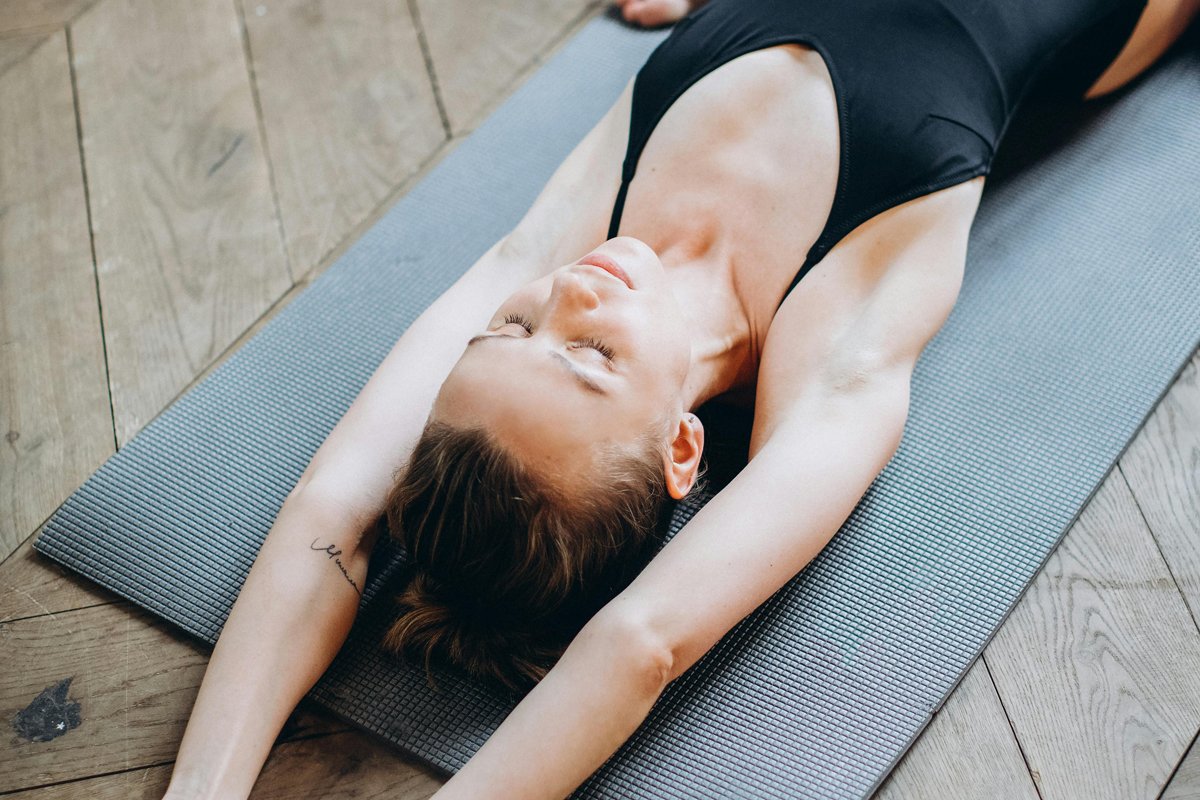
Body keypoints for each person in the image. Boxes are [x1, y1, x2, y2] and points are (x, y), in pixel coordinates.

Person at [163, 0, 1198, 797]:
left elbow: (335, 511)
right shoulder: (838, 340)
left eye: (508, 328)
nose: (568, 290)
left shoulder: (576, 234)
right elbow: (641, 640)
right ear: (683, 451)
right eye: (587, 356)